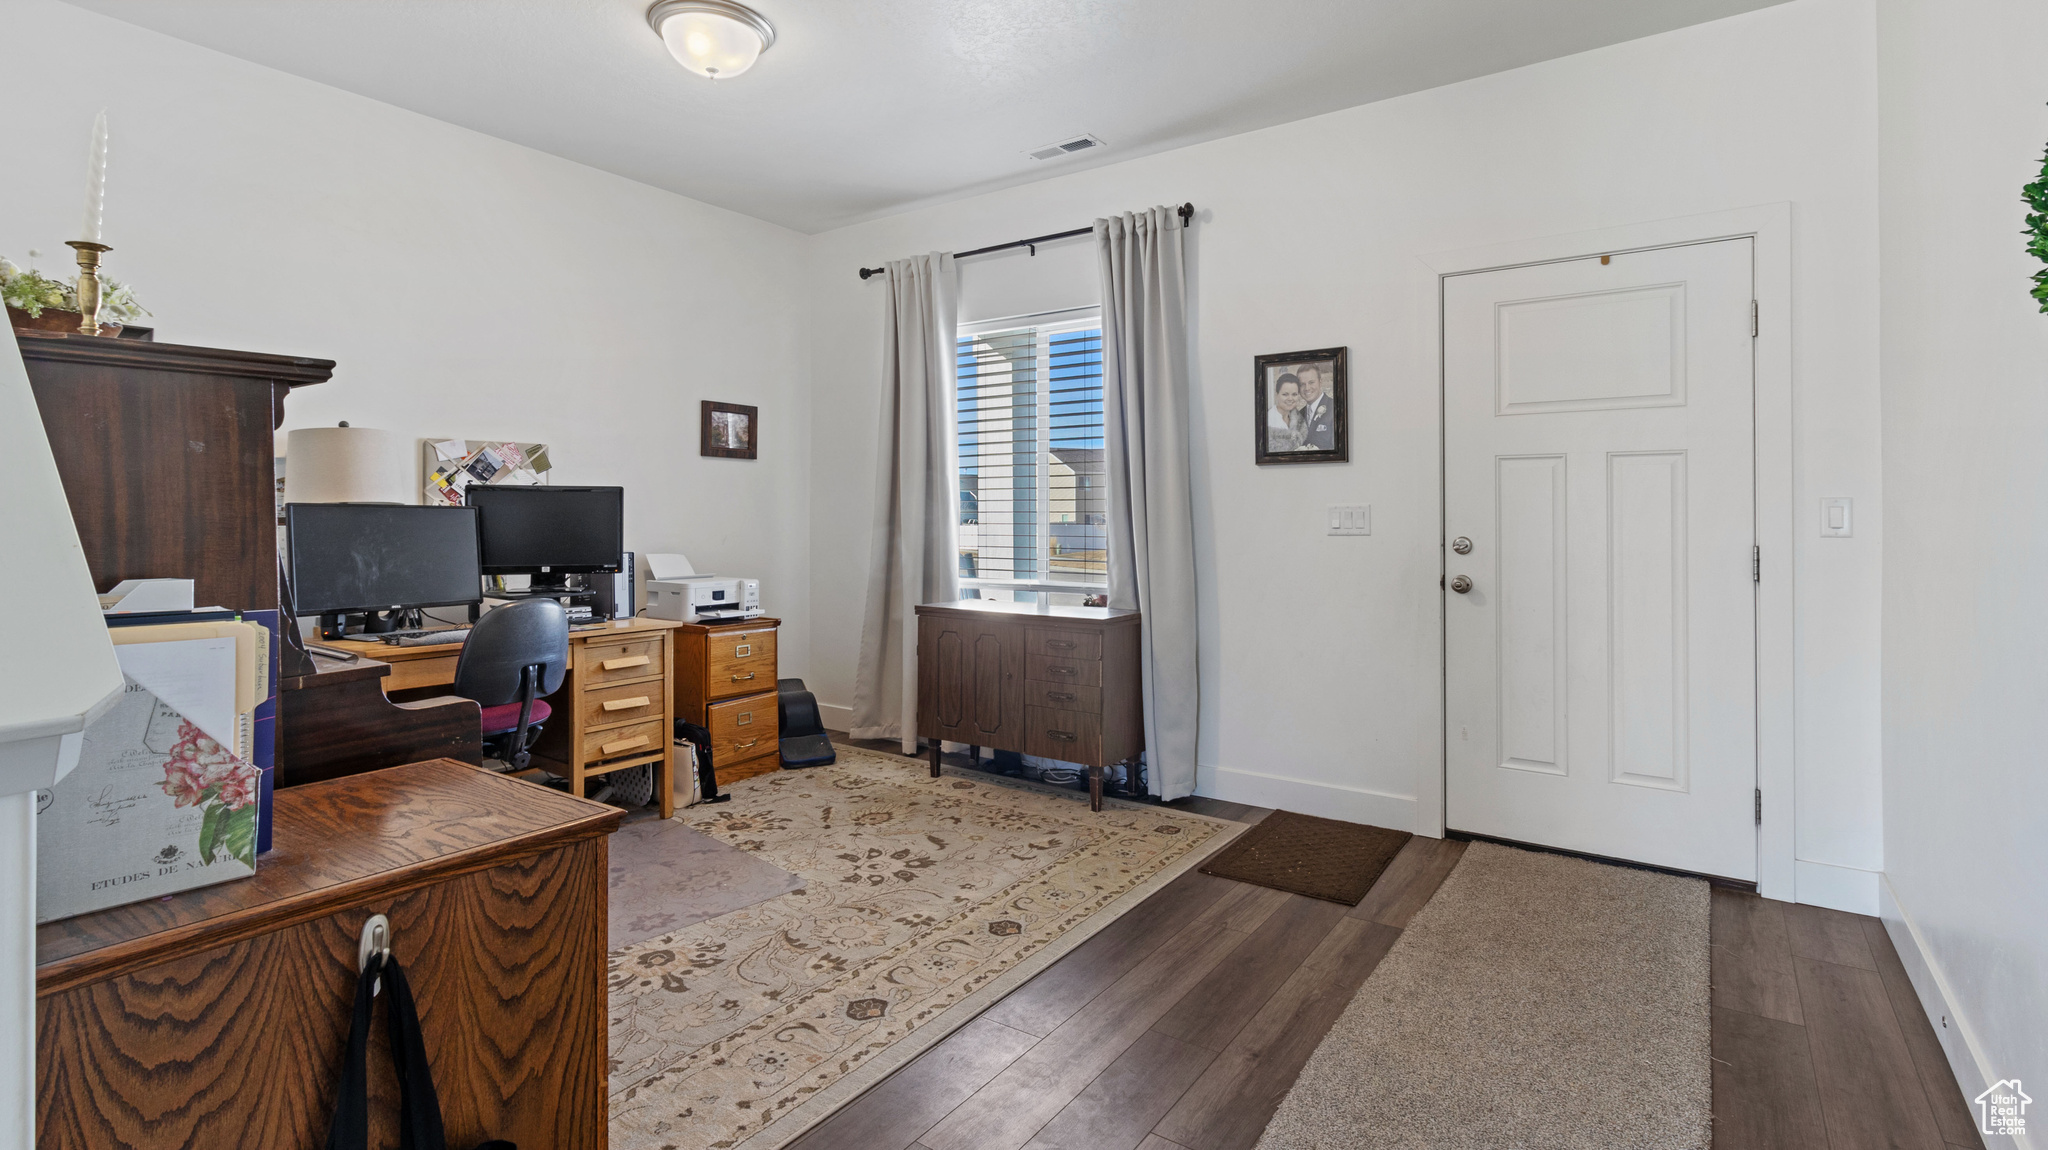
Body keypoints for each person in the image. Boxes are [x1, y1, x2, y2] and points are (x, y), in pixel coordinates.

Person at [1297, 362, 1337, 451]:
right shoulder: (1298, 416)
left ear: (1320, 382)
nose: (1307, 388)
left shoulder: (1335, 407)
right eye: (1302, 384)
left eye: (1311, 382)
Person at [1267, 374, 1306, 452]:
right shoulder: (1269, 420)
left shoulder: (1298, 419)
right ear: (1277, 395)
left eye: (1294, 394)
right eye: (1285, 394)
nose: (1290, 399)